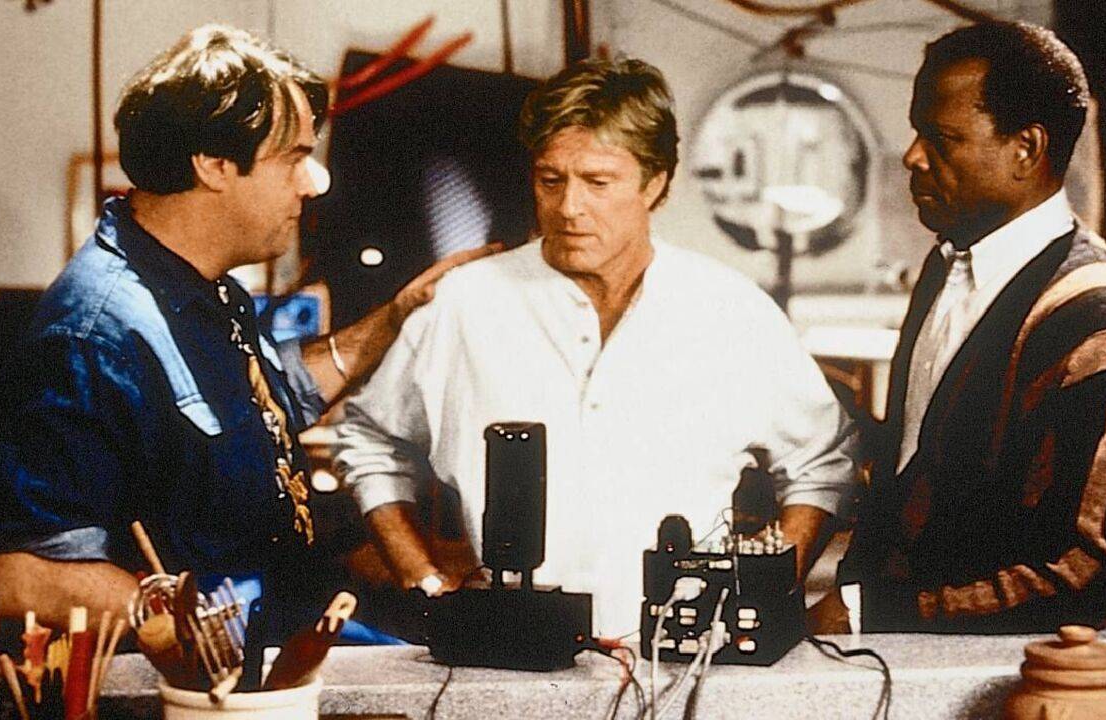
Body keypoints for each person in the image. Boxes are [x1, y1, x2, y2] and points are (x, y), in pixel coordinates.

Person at [0, 24, 496, 632]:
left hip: (290, 629)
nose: (314, 181)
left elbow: (272, 398)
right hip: (218, 668)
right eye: (294, 158)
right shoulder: (92, 337)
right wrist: (198, 636)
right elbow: (28, 574)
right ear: (214, 164)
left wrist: (397, 315)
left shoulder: (204, 286)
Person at [333, 57, 859, 636]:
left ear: (655, 184)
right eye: (550, 180)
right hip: (510, 649)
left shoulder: (730, 310)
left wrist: (763, 593)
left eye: (598, 183)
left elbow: (820, 462)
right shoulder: (466, 304)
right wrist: (424, 578)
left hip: (688, 655)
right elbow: (371, 441)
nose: (568, 208)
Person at [812, 21, 1106, 633]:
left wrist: (864, 612)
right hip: (891, 656)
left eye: (942, 138)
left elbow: (1085, 577)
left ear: (1026, 149)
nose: (912, 156)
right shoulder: (946, 264)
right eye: (916, 131)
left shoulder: (1098, 322)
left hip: (1006, 670)